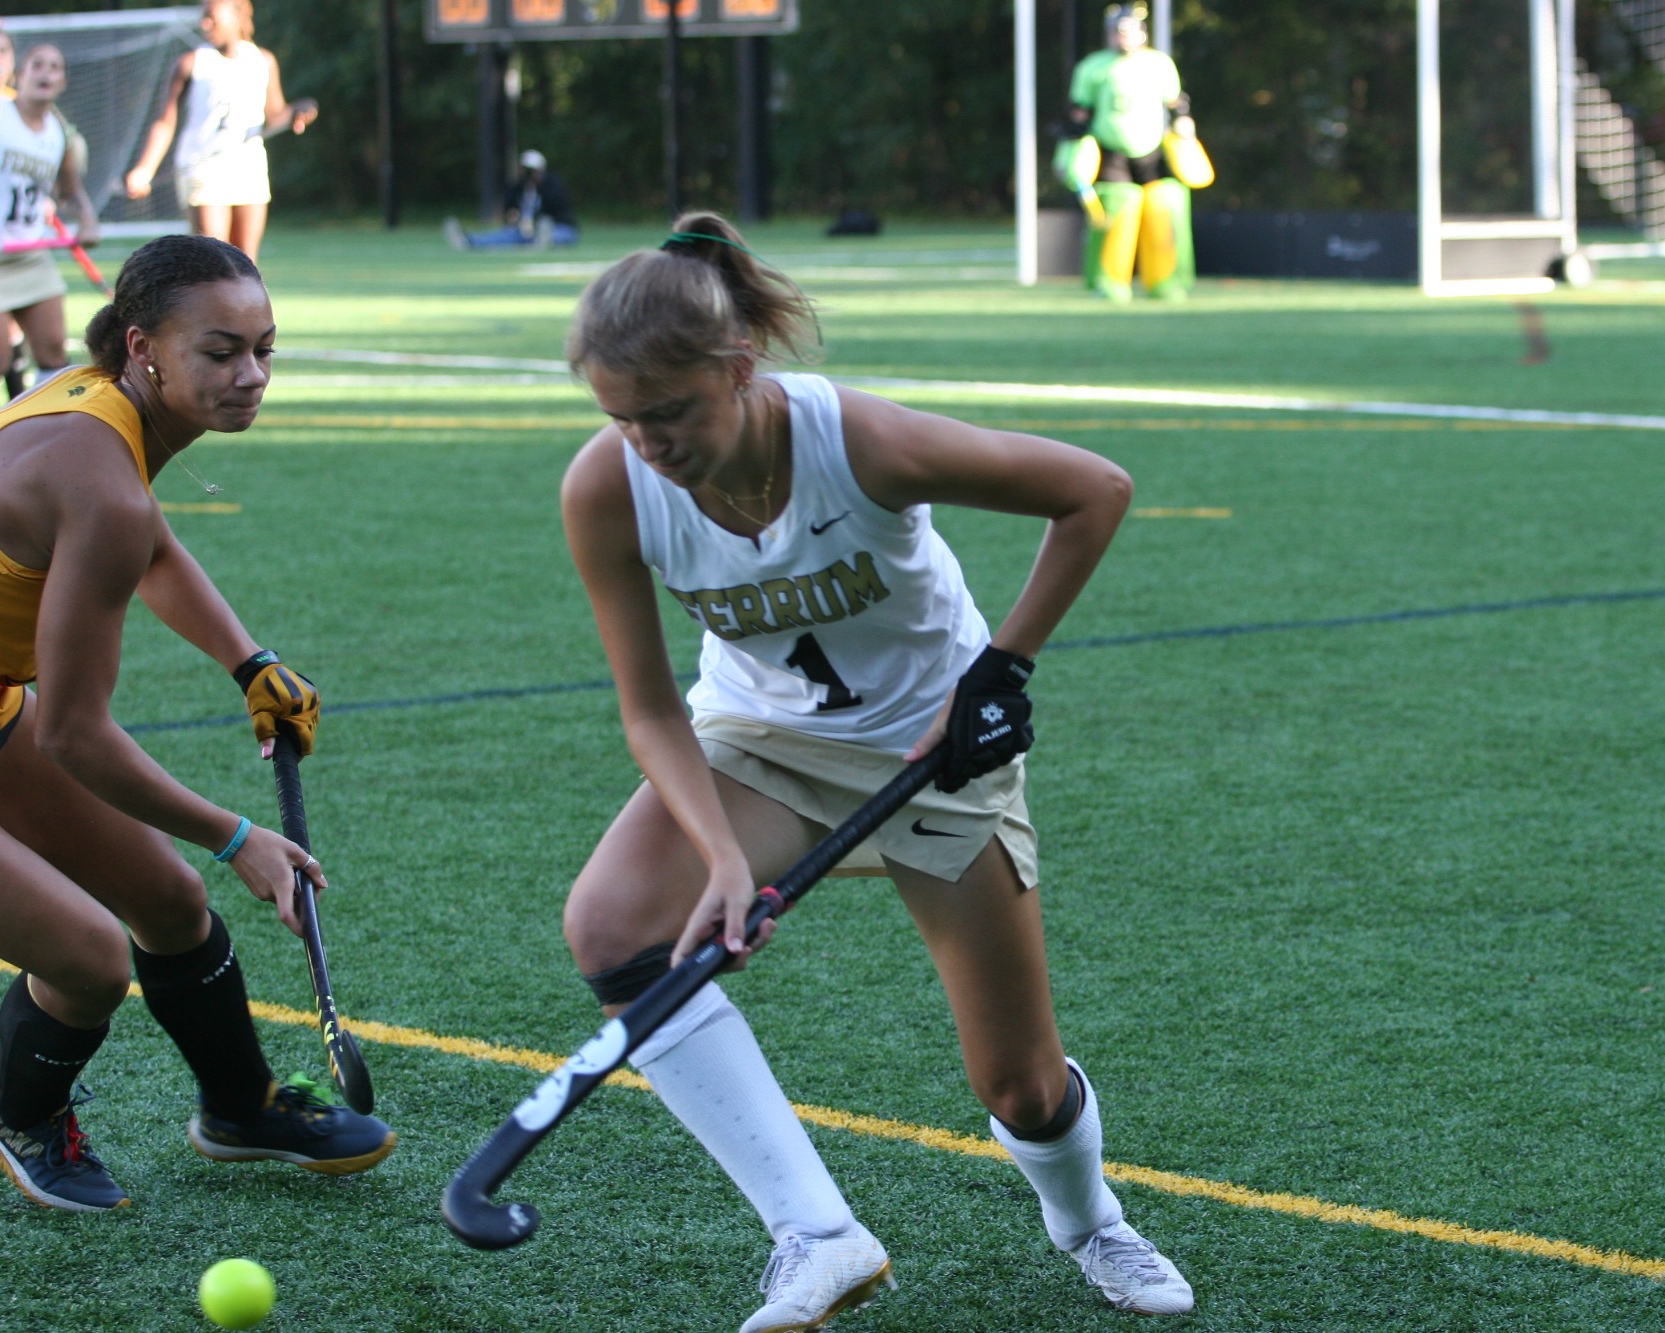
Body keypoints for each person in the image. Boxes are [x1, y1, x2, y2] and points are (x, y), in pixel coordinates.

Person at [556, 213, 1194, 1330]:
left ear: (739, 369)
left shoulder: (859, 444)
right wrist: (716, 861)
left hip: (931, 752)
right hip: (760, 745)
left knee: (1020, 1087)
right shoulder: (608, 487)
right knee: (613, 928)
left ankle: (1088, 1218)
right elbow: (650, 710)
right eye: (621, 419)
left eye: (668, 413)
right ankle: (816, 1233)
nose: (646, 444)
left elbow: (1093, 489)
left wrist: (1000, 667)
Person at [0, 234, 396, 1213]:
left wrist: (249, 661)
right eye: (220, 352)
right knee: (87, 958)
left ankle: (239, 1107)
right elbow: (76, 737)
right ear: (144, 348)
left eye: (265, 348)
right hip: (20, 714)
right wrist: (237, 835)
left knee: (168, 905)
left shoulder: (91, 403)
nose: (250, 375)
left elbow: (151, 545)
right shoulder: (100, 477)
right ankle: (21, 1112)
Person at [122, 0, 317, 263]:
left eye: (211, 17)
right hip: (203, 167)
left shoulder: (262, 61)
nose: (205, 24)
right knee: (213, 262)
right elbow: (165, 121)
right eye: (203, 18)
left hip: (249, 166)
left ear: (236, 17)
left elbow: (275, 115)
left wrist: (298, 111)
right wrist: (145, 168)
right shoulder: (192, 63)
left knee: (246, 265)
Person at [1061, 3, 1207, 302]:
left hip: (1153, 151)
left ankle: (1167, 281)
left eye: (1130, 31)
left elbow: (1177, 104)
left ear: (1142, 33)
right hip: (1112, 151)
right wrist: (1071, 151)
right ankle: (1109, 282)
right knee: (1116, 212)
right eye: (1118, 32)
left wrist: (1185, 128)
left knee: (1163, 207)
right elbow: (1078, 114)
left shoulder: (1159, 64)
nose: (1124, 37)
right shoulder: (1093, 67)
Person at [0, 46, 101, 400]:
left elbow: (68, 191)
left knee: (54, 354)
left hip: (29, 255)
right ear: (19, 75)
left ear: (63, 81)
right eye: (38, 65)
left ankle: (33, 435)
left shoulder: (59, 132)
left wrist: (87, 220)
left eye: (55, 67)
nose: (46, 73)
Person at [444, 149, 579, 251]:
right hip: (526, 230)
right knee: (506, 235)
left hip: (556, 226)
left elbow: (559, 205)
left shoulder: (552, 184)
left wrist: (540, 186)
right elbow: (510, 208)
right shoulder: (518, 187)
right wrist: (513, 217)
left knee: (560, 234)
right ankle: (468, 240)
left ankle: (545, 239)